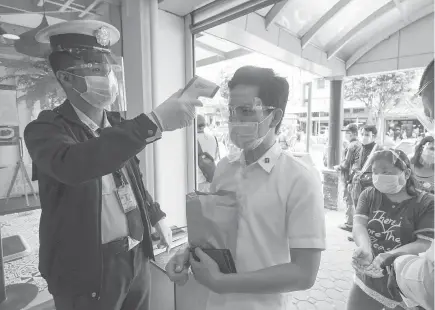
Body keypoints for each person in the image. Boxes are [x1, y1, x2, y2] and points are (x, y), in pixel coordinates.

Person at [25, 20, 202, 310]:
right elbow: (73, 165)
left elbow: (134, 182)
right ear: (66, 78)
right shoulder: (44, 130)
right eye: (94, 68)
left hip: (135, 253)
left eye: (107, 68)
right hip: (85, 267)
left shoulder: (118, 126)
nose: (106, 77)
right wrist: (153, 122)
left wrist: (155, 216)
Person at [166, 66, 326, 310]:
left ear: (274, 116)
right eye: (231, 112)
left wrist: (224, 283)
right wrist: (186, 254)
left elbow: (304, 273)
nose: (235, 121)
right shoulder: (224, 168)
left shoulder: (299, 179)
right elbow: (214, 234)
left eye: (246, 111)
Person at [349, 149, 434, 310]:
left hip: (405, 286)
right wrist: (365, 249)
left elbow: (424, 243)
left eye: (386, 171)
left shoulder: (427, 203)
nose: (378, 176)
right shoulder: (369, 195)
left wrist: (389, 256)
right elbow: (359, 225)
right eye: (375, 172)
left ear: (407, 173)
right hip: (369, 275)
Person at [335, 123, 361, 232]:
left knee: (349, 200)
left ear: (354, 133)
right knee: (355, 200)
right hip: (356, 177)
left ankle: (349, 223)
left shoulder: (351, 146)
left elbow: (346, 164)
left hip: (349, 177)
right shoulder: (360, 145)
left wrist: (338, 167)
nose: (346, 135)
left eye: (348, 133)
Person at [197, 114, 220, 192]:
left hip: (197, 182)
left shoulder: (192, 140)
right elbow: (215, 157)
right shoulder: (213, 138)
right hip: (210, 179)